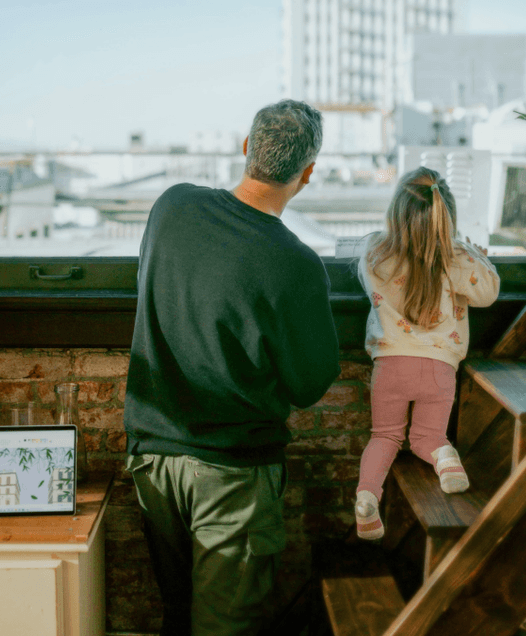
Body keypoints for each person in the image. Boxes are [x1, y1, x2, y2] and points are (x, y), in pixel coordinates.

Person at [123, 99, 341, 636]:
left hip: (153, 461)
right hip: (231, 475)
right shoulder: (295, 263)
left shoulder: (171, 205)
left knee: (178, 616)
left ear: (247, 147)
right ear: (307, 173)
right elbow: (309, 384)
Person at [354, 167, 499, 540]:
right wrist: (478, 258)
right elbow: (488, 294)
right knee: (428, 437)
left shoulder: (374, 251)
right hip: (439, 370)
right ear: (445, 214)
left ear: (396, 212)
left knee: (384, 437)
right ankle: (447, 461)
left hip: (390, 366)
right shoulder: (458, 256)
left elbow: (367, 278)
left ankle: (367, 498)